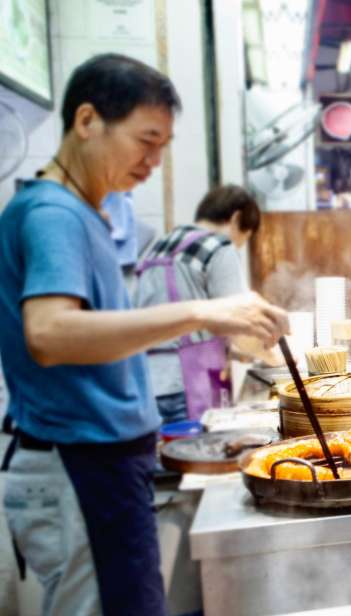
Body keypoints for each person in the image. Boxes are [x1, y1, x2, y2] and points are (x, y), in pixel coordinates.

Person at [0, 53, 287, 616]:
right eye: (145, 140)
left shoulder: (86, 212)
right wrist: (202, 312)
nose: (154, 161)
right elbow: (51, 334)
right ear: (87, 121)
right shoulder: (54, 214)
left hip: (101, 460)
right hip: (82, 462)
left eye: (164, 146)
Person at [134, 184, 271, 425]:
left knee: (166, 458)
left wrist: (234, 351)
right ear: (236, 218)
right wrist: (277, 360)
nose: (239, 246)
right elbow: (239, 323)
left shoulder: (159, 246)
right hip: (187, 387)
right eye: (244, 238)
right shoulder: (219, 247)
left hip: (145, 384)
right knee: (198, 459)